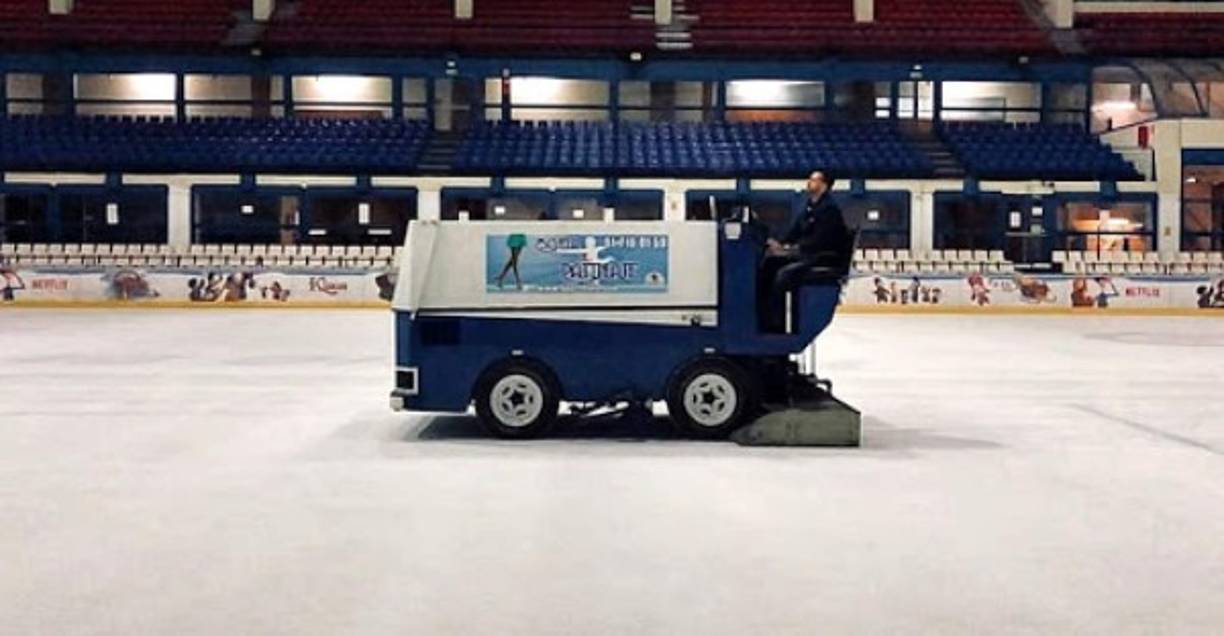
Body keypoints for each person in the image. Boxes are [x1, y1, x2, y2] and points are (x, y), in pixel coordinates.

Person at [761, 171, 850, 331]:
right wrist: (780, 243)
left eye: (813, 180)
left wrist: (792, 249)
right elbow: (795, 231)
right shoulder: (810, 206)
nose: (809, 182)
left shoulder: (829, 210)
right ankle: (763, 317)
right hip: (808, 254)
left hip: (821, 258)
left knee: (784, 274)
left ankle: (776, 323)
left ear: (824, 185)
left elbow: (821, 241)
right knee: (769, 264)